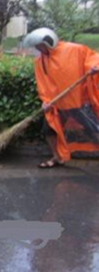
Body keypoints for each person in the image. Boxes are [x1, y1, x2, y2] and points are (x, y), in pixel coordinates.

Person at [23, 28, 99, 168]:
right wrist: (46, 101)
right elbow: (43, 83)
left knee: (94, 129)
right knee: (48, 131)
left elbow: (94, 58)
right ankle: (58, 157)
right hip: (58, 104)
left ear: (49, 42)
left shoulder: (74, 50)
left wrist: (96, 67)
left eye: (40, 46)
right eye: (37, 47)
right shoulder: (40, 61)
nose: (39, 50)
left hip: (79, 102)